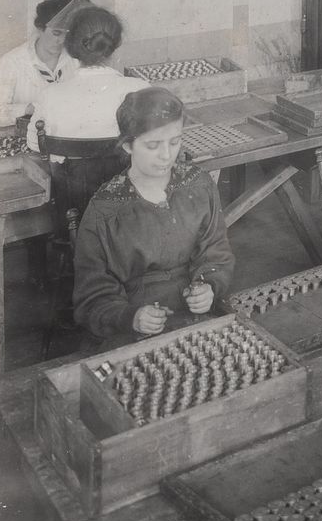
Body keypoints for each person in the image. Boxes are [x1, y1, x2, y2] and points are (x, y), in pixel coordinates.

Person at [72, 88, 234, 349]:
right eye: (152, 145)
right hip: (132, 326)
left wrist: (209, 286)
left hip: (197, 314)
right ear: (128, 145)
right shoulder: (105, 211)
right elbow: (92, 297)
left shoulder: (199, 185)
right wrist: (130, 317)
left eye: (174, 141)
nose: (166, 156)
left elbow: (216, 252)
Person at [27, 4, 148, 152]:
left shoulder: (49, 95)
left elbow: (35, 144)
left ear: (71, 47)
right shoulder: (141, 89)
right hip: (125, 174)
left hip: (67, 174)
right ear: (116, 43)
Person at [0, 0, 78, 127]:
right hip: (24, 139)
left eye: (68, 34)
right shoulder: (12, 62)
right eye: (56, 33)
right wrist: (28, 109)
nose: (62, 40)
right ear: (40, 29)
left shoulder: (75, 59)